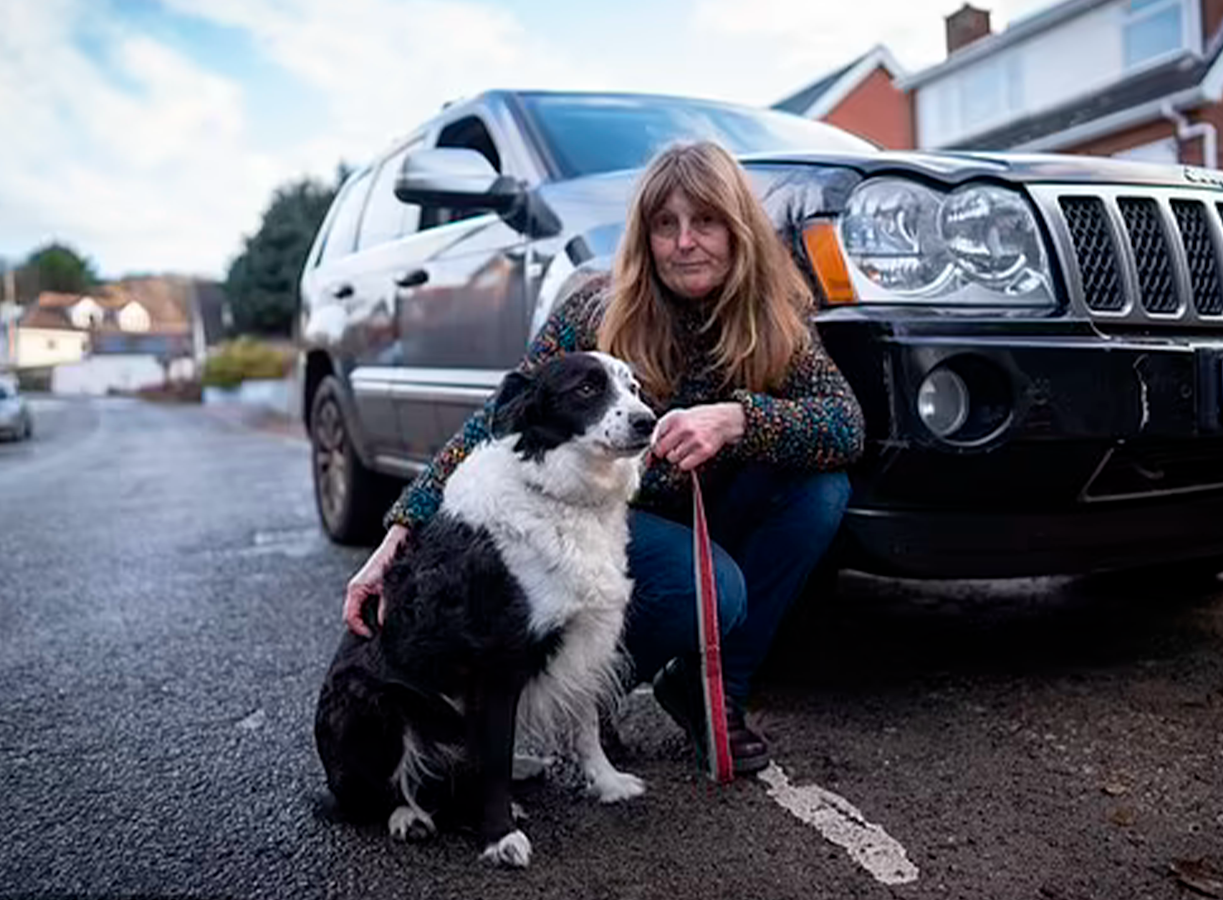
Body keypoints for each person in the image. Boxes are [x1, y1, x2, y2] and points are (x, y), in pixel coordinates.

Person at [342, 140, 864, 774]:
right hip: (613, 524)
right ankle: (590, 696)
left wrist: (739, 419)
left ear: (739, 230)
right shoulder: (599, 307)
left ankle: (713, 692)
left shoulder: (777, 318)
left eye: (705, 222)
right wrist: (403, 526)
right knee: (715, 591)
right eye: (664, 226)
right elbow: (500, 418)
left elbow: (846, 425)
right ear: (644, 239)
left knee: (822, 492)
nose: (684, 243)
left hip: (710, 512)